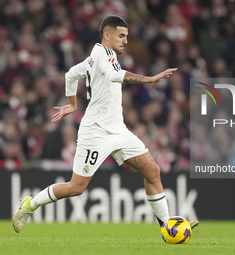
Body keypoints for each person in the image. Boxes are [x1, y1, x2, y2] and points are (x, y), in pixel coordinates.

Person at [12, 15, 198, 233]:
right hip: (96, 132)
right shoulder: (106, 55)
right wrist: (149, 79)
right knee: (76, 188)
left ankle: (167, 227)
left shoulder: (95, 56)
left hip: (118, 129)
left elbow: (71, 74)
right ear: (107, 35)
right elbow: (114, 74)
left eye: (127, 36)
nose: (125, 41)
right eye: (121, 36)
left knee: (152, 171)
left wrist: (72, 104)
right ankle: (29, 205)